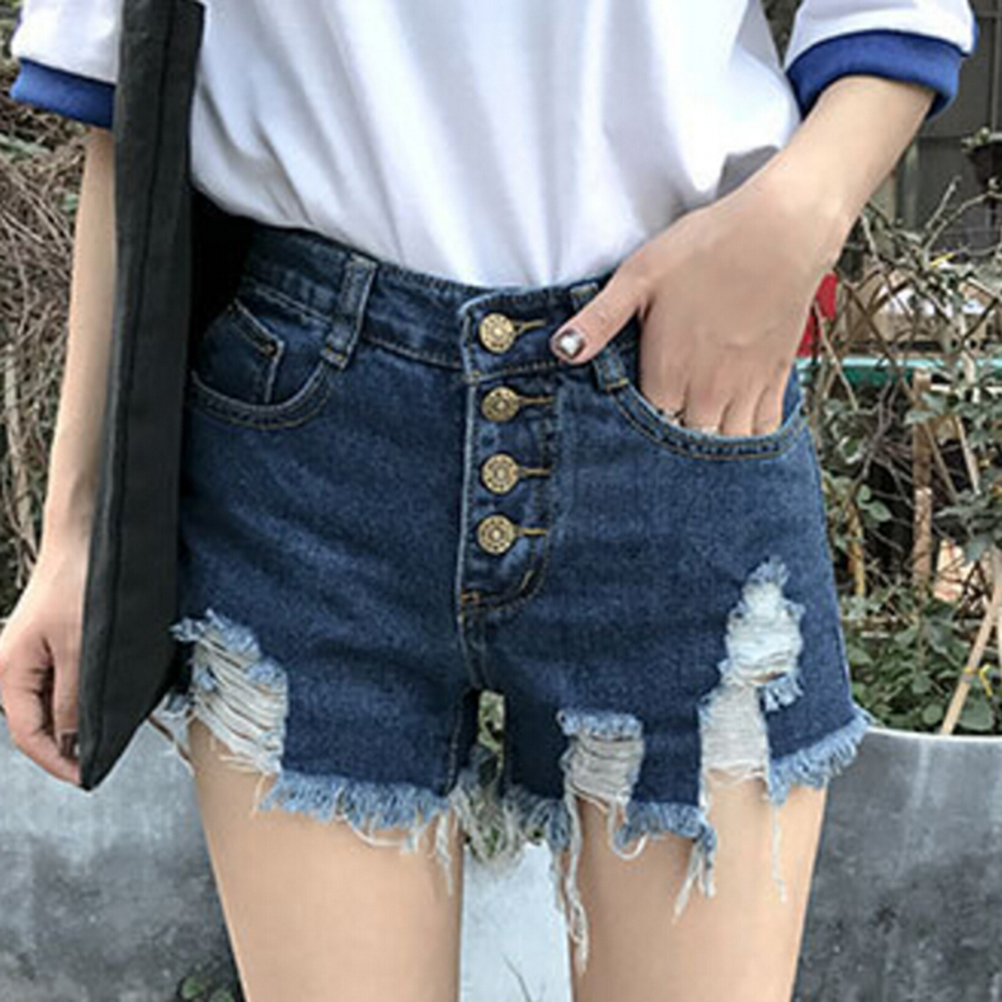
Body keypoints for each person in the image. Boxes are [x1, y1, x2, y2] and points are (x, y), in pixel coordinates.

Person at [0, 2, 979, 1000]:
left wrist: (793, 224)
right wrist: (77, 532)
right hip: (310, 452)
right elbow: (127, 96)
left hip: (681, 406)